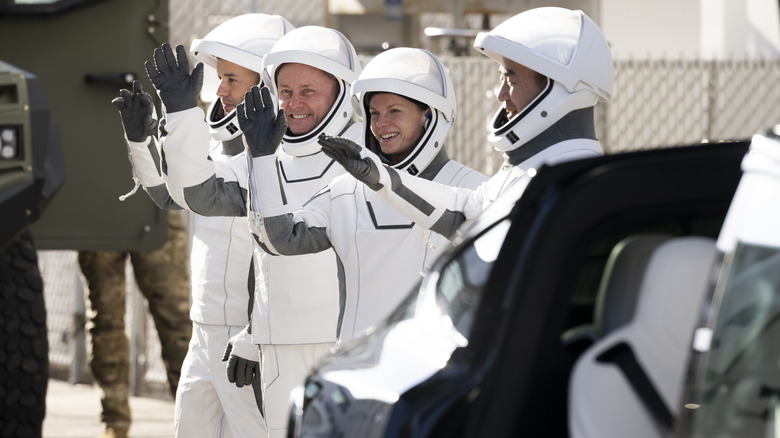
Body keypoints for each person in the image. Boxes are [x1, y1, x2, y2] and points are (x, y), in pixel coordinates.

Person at [145, 25, 362, 438]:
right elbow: (194, 192)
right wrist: (181, 111)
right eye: (286, 90)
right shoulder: (263, 157)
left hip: (335, 347)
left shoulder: (367, 162)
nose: (294, 103)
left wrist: (250, 334)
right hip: (270, 344)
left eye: (309, 91)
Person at [113, 14, 294, 437]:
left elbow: (200, 193)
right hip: (205, 328)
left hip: (248, 339)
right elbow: (171, 196)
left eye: (232, 79)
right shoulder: (218, 145)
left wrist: (254, 335)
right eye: (220, 78)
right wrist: (140, 140)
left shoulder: (277, 162)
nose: (220, 91)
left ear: (265, 86)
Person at [239, 47, 487, 343]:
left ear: (428, 116)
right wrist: (262, 159)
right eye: (374, 113)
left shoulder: (473, 190)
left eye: (394, 111)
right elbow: (278, 240)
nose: (381, 124)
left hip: (435, 371)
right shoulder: (345, 191)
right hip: (359, 370)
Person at [319, 7, 614, 240]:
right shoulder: (540, 168)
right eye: (501, 78)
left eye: (510, 78)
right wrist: (380, 176)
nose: (501, 94)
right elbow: (466, 210)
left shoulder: (565, 179)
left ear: (556, 88)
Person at [78, 212, 191, 438]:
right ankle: (115, 422)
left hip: (155, 207)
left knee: (176, 320)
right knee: (105, 322)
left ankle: (191, 417)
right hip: (99, 212)